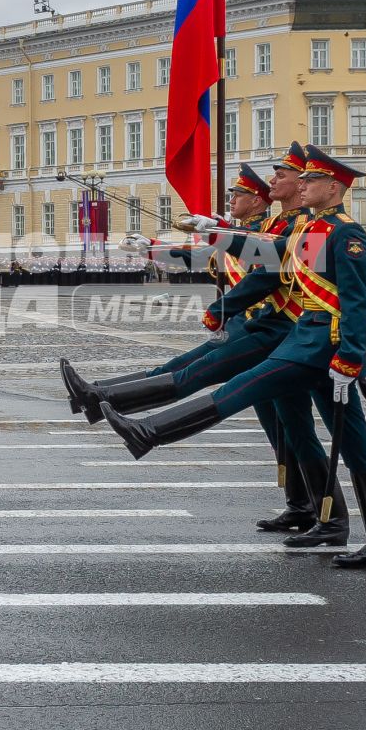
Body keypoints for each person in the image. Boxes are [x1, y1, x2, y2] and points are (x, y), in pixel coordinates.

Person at [99, 145, 366, 569]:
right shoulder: (310, 231)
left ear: (333, 188)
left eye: (312, 180)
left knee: (244, 388)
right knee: (352, 445)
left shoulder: (345, 233)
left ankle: (149, 431)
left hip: (323, 345)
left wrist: (350, 356)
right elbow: (272, 256)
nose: (304, 185)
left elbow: (356, 301)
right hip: (307, 338)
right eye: (306, 179)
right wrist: (215, 231)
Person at [62, 149, 325, 533]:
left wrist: (224, 301)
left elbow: (266, 268)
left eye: (285, 176)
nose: (279, 182)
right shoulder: (277, 226)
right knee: (286, 427)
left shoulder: (295, 226)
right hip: (266, 328)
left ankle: (105, 402)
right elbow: (204, 257)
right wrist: (153, 247)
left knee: (195, 376)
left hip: (275, 329)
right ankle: (303, 505)